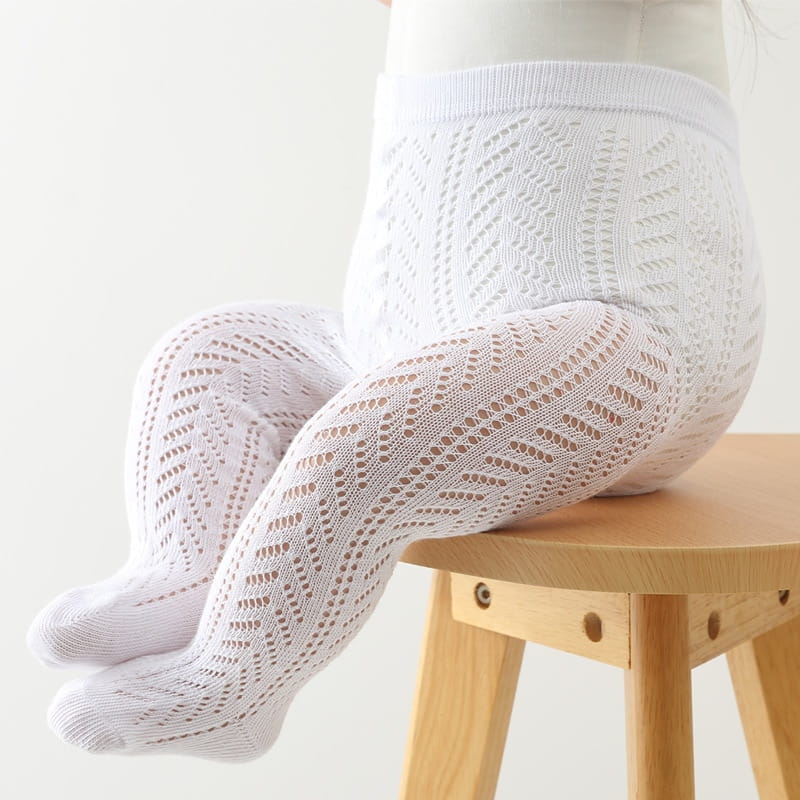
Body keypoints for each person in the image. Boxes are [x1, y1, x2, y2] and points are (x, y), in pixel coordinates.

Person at [27, 0, 765, 761]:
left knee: (362, 439)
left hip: (627, 343)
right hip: (400, 334)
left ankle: (235, 682)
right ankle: (179, 575)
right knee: (210, 358)